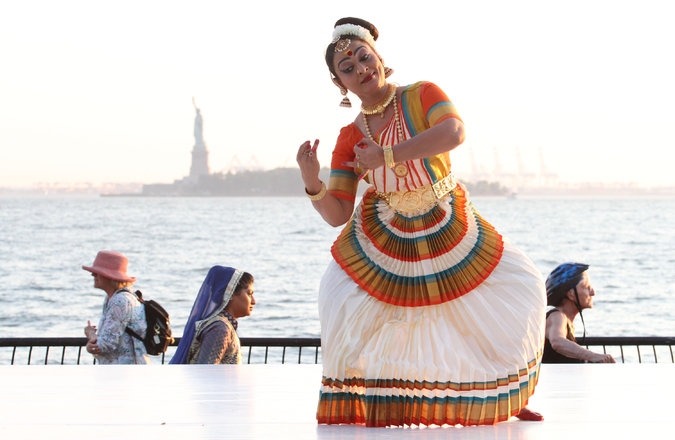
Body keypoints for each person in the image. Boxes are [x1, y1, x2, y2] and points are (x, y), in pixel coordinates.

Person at [296, 17, 546, 427]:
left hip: (446, 218)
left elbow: (454, 132)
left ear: (379, 58)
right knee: (341, 301)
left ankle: (505, 396)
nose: (360, 69)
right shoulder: (348, 138)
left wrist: (389, 156)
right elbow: (338, 213)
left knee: (522, 286)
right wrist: (312, 183)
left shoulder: (420, 94)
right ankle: (376, 402)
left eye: (364, 57)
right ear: (340, 83)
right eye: (348, 68)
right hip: (387, 231)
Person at [170, 266, 255, 364]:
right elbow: (206, 371)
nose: (253, 301)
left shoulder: (222, 325)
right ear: (230, 293)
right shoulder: (220, 329)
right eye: (249, 294)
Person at [82, 250, 149, 364]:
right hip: (121, 370)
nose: (93, 275)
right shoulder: (114, 298)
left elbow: (105, 345)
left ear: (109, 277)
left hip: (123, 373)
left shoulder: (120, 301)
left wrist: (91, 334)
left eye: (97, 272)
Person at [543, 263, 615, 363]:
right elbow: (557, 342)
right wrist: (592, 356)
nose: (592, 292)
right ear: (571, 294)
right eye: (586, 287)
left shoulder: (566, 321)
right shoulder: (557, 316)